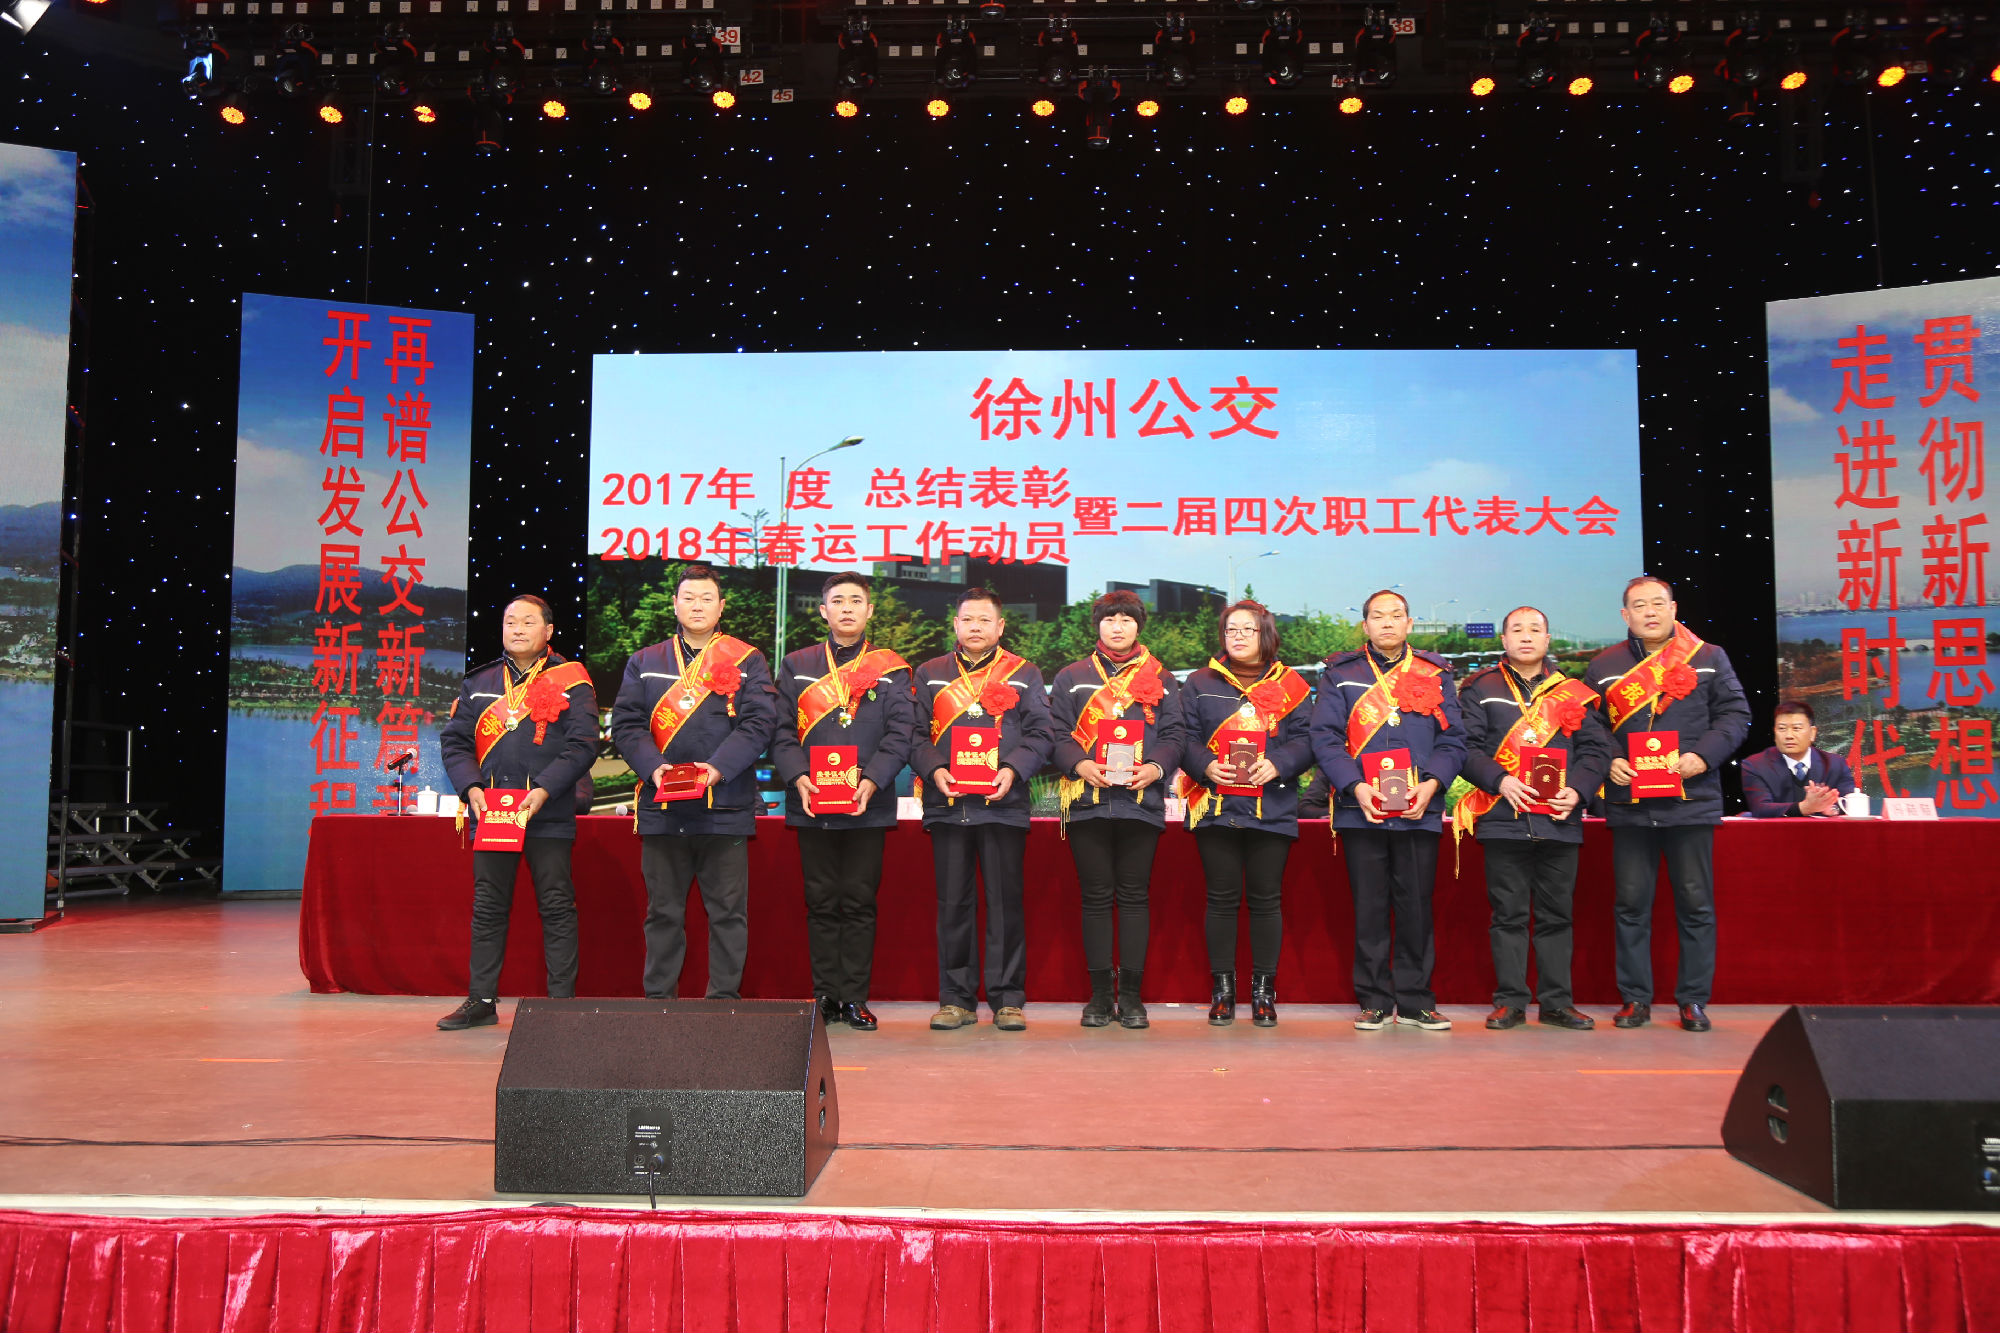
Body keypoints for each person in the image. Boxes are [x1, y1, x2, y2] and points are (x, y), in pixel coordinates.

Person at [1587, 575, 1751, 1033]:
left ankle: (1693, 1000)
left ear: (1674, 609)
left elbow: (1736, 715)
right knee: (1630, 905)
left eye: (1658, 603)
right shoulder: (1604, 665)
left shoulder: (1708, 657)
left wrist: (1703, 756)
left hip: (1690, 800)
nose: (1650, 612)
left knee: (1695, 904)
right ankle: (1635, 999)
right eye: (1640, 605)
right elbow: (1590, 725)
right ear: (1626, 615)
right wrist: (1610, 759)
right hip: (1631, 802)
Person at [609, 564, 779, 1001]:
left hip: (725, 805)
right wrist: (653, 768)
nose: (697, 606)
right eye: (689, 597)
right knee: (662, 913)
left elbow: (759, 723)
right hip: (662, 808)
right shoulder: (645, 662)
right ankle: (658, 1002)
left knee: (728, 914)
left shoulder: (747, 659)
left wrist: (716, 769)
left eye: (706, 598)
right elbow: (627, 725)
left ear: (721, 607)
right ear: (675, 604)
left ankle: (723, 1004)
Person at [436, 595, 599, 1030]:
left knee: (556, 905)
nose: (518, 629)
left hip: (548, 809)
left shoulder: (572, 679)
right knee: (488, 906)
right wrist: (470, 787)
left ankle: (561, 1003)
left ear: (549, 631)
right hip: (493, 813)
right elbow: (455, 742)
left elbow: (584, 744)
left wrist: (545, 788)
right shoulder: (480, 681)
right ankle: (481, 1000)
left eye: (528, 622)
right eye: (511, 622)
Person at [1311, 589, 1467, 1032]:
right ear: (1365, 626)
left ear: (1409, 623)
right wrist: (1355, 785)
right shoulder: (1341, 674)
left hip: (1419, 807)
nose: (1387, 623)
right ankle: (1374, 999)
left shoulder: (1434, 673)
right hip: (1360, 808)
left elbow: (1454, 739)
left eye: (1395, 615)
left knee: (1416, 907)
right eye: (1377, 616)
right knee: (1370, 907)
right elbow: (1324, 737)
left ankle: (1417, 1001)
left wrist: (1432, 784)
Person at [768, 572, 917, 1031]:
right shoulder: (797, 664)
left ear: (869, 610)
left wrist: (873, 780)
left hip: (866, 804)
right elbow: (779, 730)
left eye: (856, 601)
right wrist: (798, 776)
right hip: (811, 801)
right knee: (819, 900)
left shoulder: (891, 668)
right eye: (838, 601)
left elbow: (901, 732)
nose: (847, 608)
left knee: (858, 901)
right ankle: (825, 996)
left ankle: (854, 998)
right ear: (823, 611)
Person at [1455, 606, 1612, 1031]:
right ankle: (1510, 1002)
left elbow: (1596, 750)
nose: (1526, 636)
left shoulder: (1574, 692)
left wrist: (1577, 790)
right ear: (1504, 640)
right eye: (1517, 630)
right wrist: (1500, 780)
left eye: (1535, 629)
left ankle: (1557, 1003)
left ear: (1547, 639)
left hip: (1559, 820)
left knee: (1556, 916)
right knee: (1508, 916)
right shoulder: (1481, 688)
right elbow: (1465, 748)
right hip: (1503, 818)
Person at [909, 588, 1056, 1032]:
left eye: (984, 620)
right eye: (968, 619)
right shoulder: (930, 673)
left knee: (1005, 904)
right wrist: (934, 769)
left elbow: (1042, 733)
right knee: (953, 903)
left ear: (1000, 626)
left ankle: (1008, 999)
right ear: (955, 624)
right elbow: (912, 734)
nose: (975, 627)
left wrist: (1012, 769)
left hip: (1003, 804)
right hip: (947, 804)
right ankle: (955, 999)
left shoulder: (1024, 673)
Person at [1049, 589, 1186, 1029]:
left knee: (1133, 897)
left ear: (1138, 626)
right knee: (1094, 898)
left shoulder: (1162, 677)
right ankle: (1099, 996)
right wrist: (1080, 764)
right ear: (1098, 625)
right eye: (1110, 619)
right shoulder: (1072, 676)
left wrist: (1156, 767)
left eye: (1127, 619)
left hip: (1141, 802)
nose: (1118, 626)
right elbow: (1056, 734)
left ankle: (1131, 997)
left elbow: (1175, 735)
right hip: (1086, 802)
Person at [1176, 599, 1315, 1028]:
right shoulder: (1200, 681)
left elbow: (1308, 739)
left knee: (1266, 900)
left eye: (1247, 629)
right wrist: (1204, 765)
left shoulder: (1292, 684)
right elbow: (1183, 735)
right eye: (1230, 629)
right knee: (1220, 899)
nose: (1237, 636)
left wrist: (1280, 763)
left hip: (1272, 805)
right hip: (1215, 806)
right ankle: (1222, 992)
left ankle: (1263, 993)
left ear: (1265, 635)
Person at [1741, 701, 1857, 818]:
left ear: (1812, 733)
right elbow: (1760, 808)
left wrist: (1831, 808)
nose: (1789, 736)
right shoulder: (1755, 765)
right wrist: (1804, 807)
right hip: (1776, 829)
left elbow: (1849, 801)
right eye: (1782, 728)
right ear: (1775, 732)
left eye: (1796, 728)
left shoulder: (1835, 764)